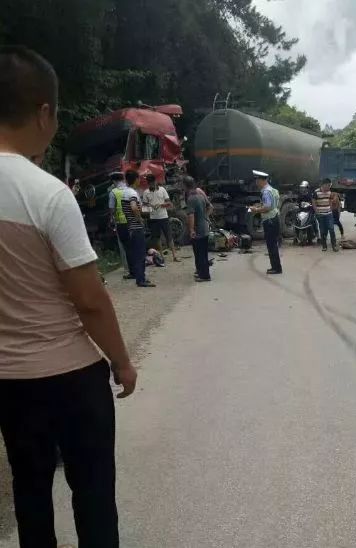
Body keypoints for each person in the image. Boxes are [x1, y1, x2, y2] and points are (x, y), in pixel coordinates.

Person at [0, 45, 136, 548]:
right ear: (42, 113)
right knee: (93, 492)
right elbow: (90, 300)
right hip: (70, 378)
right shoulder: (47, 194)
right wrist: (122, 363)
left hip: (9, 382)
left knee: (30, 489)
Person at [122, 170, 155, 287]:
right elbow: (134, 207)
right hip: (136, 227)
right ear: (135, 179)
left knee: (137, 253)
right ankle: (141, 279)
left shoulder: (125, 192)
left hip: (130, 226)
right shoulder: (132, 193)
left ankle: (140, 278)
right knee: (140, 254)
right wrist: (140, 219)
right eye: (139, 178)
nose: (140, 180)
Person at [250, 170, 283, 274]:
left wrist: (256, 210)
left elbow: (267, 207)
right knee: (273, 244)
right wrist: (260, 206)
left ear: (261, 180)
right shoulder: (273, 190)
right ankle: (276, 267)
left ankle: (276, 268)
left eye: (257, 180)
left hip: (269, 220)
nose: (256, 183)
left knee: (271, 244)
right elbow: (272, 205)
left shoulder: (265, 192)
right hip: (275, 218)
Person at [143, 172, 180, 262]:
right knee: (157, 238)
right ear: (148, 183)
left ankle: (175, 256)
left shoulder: (162, 190)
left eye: (152, 182)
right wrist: (150, 206)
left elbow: (169, 203)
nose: (151, 184)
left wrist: (160, 205)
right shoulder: (146, 193)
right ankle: (162, 257)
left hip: (163, 217)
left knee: (169, 237)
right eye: (149, 183)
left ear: (155, 181)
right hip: (153, 218)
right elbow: (144, 207)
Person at [184, 176, 212, 281]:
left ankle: (203, 276)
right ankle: (205, 274)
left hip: (197, 230)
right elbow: (210, 207)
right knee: (204, 253)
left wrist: (191, 230)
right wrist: (205, 217)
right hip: (204, 228)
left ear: (185, 186)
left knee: (199, 254)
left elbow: (191, 216)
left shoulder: (191, 199)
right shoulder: (201, 196)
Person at [108, 171, 131, 277]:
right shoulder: (130, 190)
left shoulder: (113, 192)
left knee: (123, 246)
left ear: (114, 181)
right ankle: (136, 265)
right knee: (133, 244)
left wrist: (111, 220)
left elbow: (112, 209)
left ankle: (127, 268)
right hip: (131, 221)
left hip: (121, 223)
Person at [313, 178, 339, 252]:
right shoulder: (316, 192)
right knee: (323, 230)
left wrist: (331, 208)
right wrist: (316, 211)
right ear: (323, 185)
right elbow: (314, 202)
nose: (329, 187)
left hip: (328, 214)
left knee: (331, 228)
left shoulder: (330, 192)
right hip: (320, 214)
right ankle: (324, 246)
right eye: (328, 185)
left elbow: (330, 200)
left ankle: (334, 245)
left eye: (330, 186)